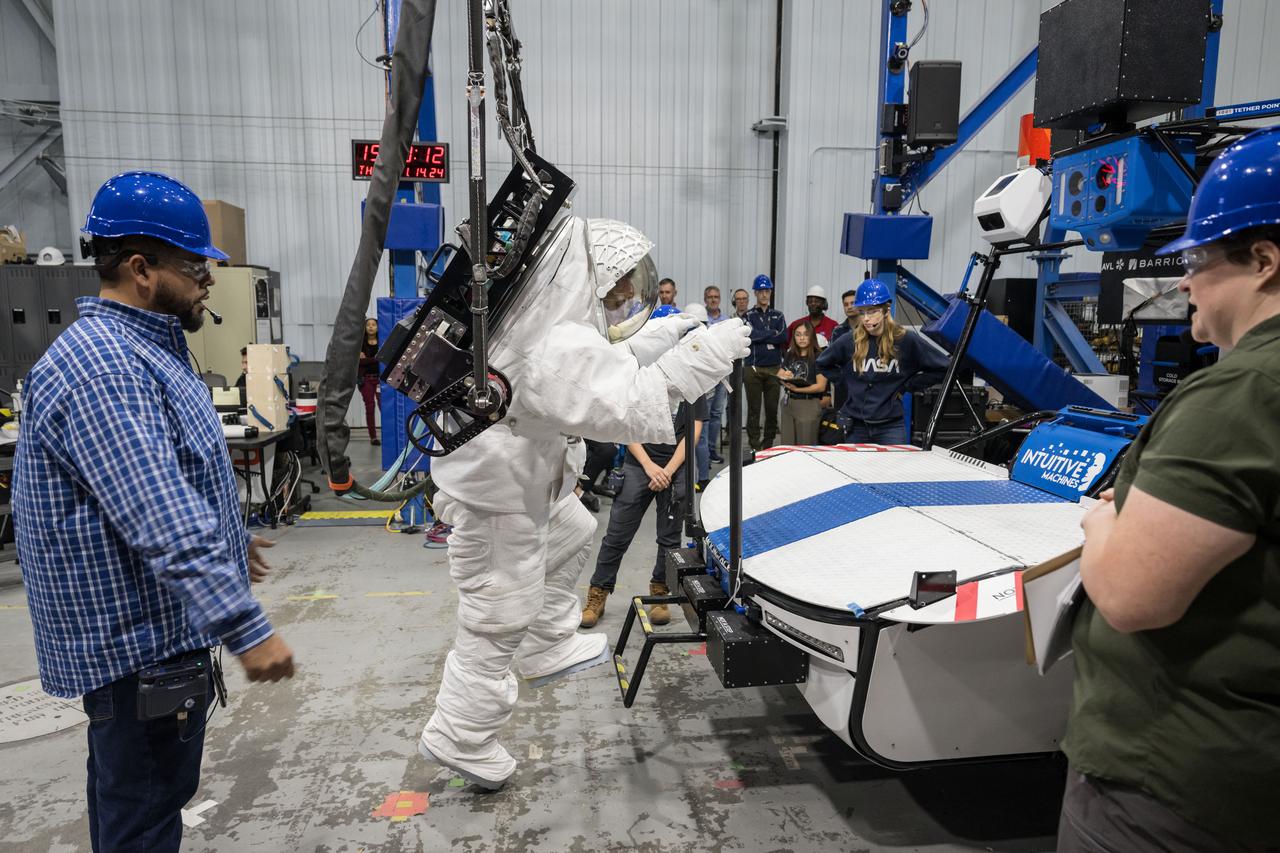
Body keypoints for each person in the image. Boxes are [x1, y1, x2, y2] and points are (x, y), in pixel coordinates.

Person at [11, 171, 295, 853]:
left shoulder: (146, 350)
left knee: (139, 806)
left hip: (150, 641)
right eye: (194, 265)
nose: (206, 279)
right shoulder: (108, 365)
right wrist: (247, 630)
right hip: (138, 648)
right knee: (144, 817)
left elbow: (169, 473)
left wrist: (231, 537)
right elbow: (159, 514)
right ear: (141, 269)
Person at [419, 216, 749, 789]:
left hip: (519, 480)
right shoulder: (548, 346)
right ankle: (462, 734)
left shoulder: (546, 318)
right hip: (497, 495)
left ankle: (548, 642)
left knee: (572, 528)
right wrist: (701, 358)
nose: (626, 293)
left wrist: (669, 334)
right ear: (589, 277)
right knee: (498, 613)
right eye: (619, 283)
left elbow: (602, 357)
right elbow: (619, 398)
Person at [1057, 126, 1280, 852]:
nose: (1184, 281)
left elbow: (1129, 594)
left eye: (1198, 260)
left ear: (1264, 261)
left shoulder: (1242, 392)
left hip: (1171, 785)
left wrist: (1100, 524)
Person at [581, 386, 707, 629]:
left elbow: (693, 433)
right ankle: (598, 592)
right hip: (639, 465)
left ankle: (660, 593)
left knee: (670, 539)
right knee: (616, 535)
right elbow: (627, 428)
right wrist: (649, 466)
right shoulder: (643, 380)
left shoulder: (694, 385)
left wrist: (668, 471)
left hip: (676, 468)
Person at [816, 279, 947, 445]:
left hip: (890, 428)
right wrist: (847, 382)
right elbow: (822, 363)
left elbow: (943, 367)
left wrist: (908, 385)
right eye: (862, 312)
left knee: (890, 471)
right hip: (857, 427)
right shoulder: (849, 341)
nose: (866, 318)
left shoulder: (906, 340)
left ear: (886, 309)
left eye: (872, 311)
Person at [743, 274, 787, 450]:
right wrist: (770, 334)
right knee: (754, 409)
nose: (764, 294)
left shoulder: (778, 315)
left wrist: (761, 335)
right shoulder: (748, 315)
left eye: (767, 291)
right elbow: (749, 335)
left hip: (774, 368)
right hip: (752, 368)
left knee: (771, 409)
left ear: (771, 292)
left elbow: (783, 336)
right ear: (755, 293)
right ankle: (754, 445)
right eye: (760, 291)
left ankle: (768, 445)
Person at [776, 321, 828, 445]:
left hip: (808, 404)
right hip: (788, 404)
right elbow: (779, 373)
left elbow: (821, 386)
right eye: (798, 335)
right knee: (787, 447)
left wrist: (797, 389)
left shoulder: (820, 356)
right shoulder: (791, 354)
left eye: (805, 334)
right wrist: (785, 376)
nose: (802, 338)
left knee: (806, 446)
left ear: (812, 336)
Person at [702, 285, 728, 464]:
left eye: (716, 297)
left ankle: (711, 450)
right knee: (705, 413)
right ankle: (702, 451)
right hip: (706, 373)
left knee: (717, 413)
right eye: (710, 297)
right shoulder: (700, 319)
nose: (713, 299)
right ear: (705, 300)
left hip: (722, 374)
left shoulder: (727, 320)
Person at [358, 317, 381, 446]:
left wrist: (368, 359)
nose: (371, 327)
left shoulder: (381, 341)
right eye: (368, 325)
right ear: (365, 328)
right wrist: (376, 358)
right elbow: (360, 362)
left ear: (377, 327)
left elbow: (383, 358)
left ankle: (388, 433)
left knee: (383, 405)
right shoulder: (361, 344)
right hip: (366, 379)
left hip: (379, 380)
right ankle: (373, 437)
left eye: (373, 325)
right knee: (370, 407)